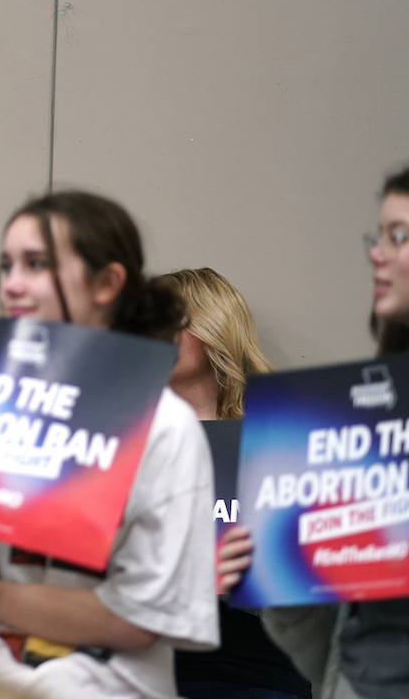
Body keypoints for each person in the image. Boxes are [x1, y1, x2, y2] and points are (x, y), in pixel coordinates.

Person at [0, 191, 219, 698]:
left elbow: (140, 618)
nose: (14, 285)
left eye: (37, 264)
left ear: (107, 283)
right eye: (6, 266)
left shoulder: (163, 427)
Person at [255, 165, 409, 699]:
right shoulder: (360, 407)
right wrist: (271, 569)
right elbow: (322, 636)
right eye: (379, 235)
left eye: (400, 235)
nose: (378, 253)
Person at [163, 268, 310, 699]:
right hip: (142, 665)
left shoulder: (285, 441)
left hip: (256, 672)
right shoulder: (117, 444)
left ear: (212, 329)